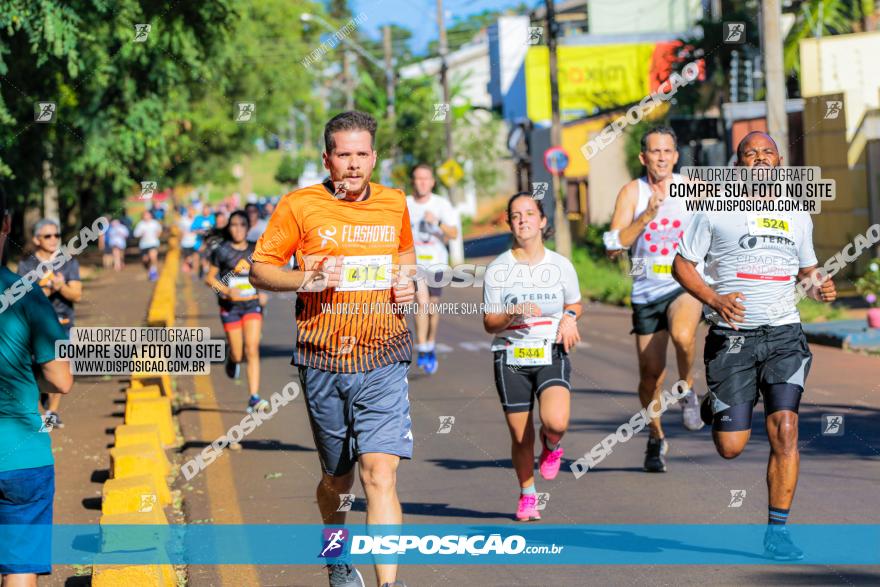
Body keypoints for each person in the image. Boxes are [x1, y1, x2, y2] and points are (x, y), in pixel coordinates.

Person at [250, 111, 417, 587]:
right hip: (323, 359)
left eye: (362, 154)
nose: (353, 164)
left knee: (379, 473)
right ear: (327, 159)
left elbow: (404, 257)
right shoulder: (299, 206)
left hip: (384, 354)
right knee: (337, 481)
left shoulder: (393, 203)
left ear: (374, 157)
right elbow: (260, 270)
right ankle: (336, 551)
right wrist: (311, 277)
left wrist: (406, 284)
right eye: (343, 154)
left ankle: (388, 582)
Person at [673, 131, 837, 560]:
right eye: (750, 154)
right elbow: (682, 265)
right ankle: (717, 403)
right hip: (732, 340)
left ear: (779, 163)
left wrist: (819, 285)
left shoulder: (798, 213)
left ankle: (777, 534)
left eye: (767, 153)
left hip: (784, 335)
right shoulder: (714, 209)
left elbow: (808, 269)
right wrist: (713, 299)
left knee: (786, 430)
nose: (760, 159)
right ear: (738, 165)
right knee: (731, 448)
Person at [604, 126, 704, 473]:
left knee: (683, 335)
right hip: (646, 291)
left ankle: (688, 386)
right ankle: (656, 436)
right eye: (654, 151)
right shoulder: (633, 192)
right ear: (642, 157)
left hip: (683, 283)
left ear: (675, 156)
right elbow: (613, 245)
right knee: (650, 376)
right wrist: (646, 214)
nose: (660, 157)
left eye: (667, 151)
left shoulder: (691, 189)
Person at [482, 193, 582, 522]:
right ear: (510, 223)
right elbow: (489, 323)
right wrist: (511, 312)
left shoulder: (560, 265)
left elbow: (575, 303)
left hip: (551, 349)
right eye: (515, 215)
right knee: (520, 435)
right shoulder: (498, 269)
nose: (522, 219)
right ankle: (527, 493)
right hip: (510, 355)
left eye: (529, 213)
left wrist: (569, 318)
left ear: (542, 221)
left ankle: (551, 445)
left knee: (556, 422)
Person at [0, 188, 74, 586]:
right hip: (20, 455)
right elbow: (60, 379)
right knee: (19, 567)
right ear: (7, 224)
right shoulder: (26, 293)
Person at [17, 219, 82, 430]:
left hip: (62, 323)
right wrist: (47, 289)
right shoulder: (26, 265)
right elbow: (22, 299)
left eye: (56, 235)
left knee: (61, 369)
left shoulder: (68, 262)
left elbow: (77, 293)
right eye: (48, 236)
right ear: (37, 239)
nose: (54, 239)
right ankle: (36, 413)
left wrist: (61, 287)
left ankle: (52, 413)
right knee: (35, 369)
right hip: (34, 326)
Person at [204, 210, 269, 415]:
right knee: (239, 351)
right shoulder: (221, 250)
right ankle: (232, 359)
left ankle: (254, 398)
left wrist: (264, 291)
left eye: (242, 225)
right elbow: (210, 280)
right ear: (229, 227)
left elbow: (264, 273)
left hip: (251, 305)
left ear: (248, 228)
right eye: (233, 225)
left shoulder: (254, 249)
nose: (238, 229)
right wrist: (225, 291)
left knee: (252, 348)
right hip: (230, 307)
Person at [406, 164, 459, 374]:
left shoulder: (441, 204)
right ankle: (423, 347)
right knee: (421, 301)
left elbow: (453, 233)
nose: (422, 183)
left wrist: (436, 221)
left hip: (436, 261)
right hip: (414, 262)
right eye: (418, 179)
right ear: (413, 181)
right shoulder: (405, 204)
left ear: (432, 182)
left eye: (426, 179)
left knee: (433, 305)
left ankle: (430, 341)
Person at [133, 210, 162, 281]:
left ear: (150, 215)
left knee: (153, 257)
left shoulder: (154, 223)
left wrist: (158, 234)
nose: (146, 216)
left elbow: (159, 230)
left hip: (153, 243)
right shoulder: (140, 224)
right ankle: (149, 270)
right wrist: (141, 233)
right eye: (145, 215)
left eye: (148, 215)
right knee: (145, 260)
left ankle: (154, 271)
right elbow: (135, 234)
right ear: (142, 216)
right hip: (144, 244)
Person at [190, 204, 216, 279]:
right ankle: (195, 272)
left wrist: (210, 232)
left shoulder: (213, 218)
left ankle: (208, 272)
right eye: (204, 210)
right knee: (196, 256)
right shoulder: (198, 218)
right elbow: (192, 229)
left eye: (207, 209)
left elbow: (217, 228)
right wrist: (199, 231)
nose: (205, 211)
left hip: (210, 241)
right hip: (199, 241)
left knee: (208, 257)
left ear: (209, 210)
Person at [178, 206, 198, 274]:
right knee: (188, 258)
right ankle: (188, 266)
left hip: (195, 241)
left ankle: (195, 271)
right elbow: (180, 231)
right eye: (189, 211)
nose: (191, 212)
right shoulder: (183, 220)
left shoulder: (196, 219)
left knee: (196, 256)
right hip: (185, 242)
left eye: (192, 211)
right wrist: (180, 240)